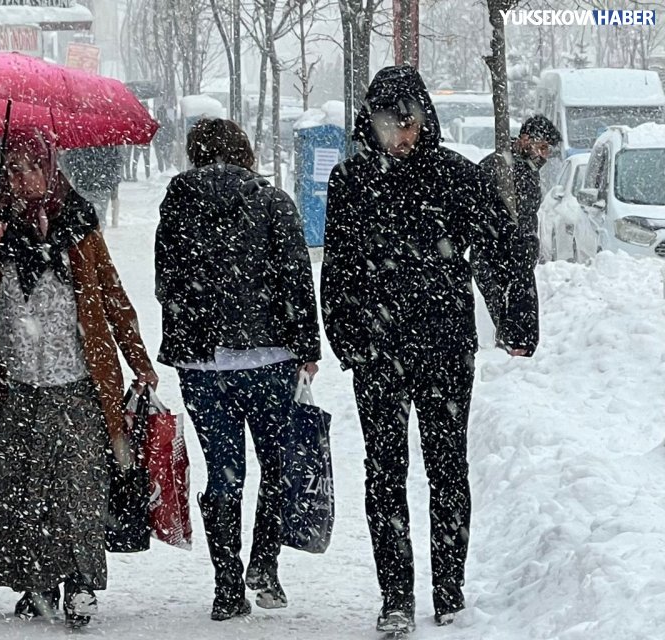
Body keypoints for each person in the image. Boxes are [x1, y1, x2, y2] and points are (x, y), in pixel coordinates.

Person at [321, 65, 539, 635]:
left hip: (444, 348)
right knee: (385, 474)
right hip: (377, 351)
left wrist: (517, 321)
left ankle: (448, 590)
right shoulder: (351, 181)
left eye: (411, 121)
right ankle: (396, 596)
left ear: (425, 118)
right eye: (390, 123)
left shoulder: (455, 176)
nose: (403, 134)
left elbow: (501, 248)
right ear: (371, 124)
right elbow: (338, 267)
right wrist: (346, 339)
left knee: (446, 470)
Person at [0, 128, 158, 629]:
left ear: (50, 167)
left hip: (77, 381)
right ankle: (39, 580)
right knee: (25, 488)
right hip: (13, 382)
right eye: (13, 168)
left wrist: (140, 363)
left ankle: (82, 585)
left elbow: (113, 298)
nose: (22, 177)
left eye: (32, 166)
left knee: (80, 486)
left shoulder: (80, 225)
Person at [155, 118, 321, 622]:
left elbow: (166, 283)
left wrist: (196, 323)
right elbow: (296, 277)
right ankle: (264, 564)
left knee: (224, 473)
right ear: (245, 152)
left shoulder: (179, 204)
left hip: (204, 364)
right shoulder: (272, 202)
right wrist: (307, 346)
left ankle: (226, 586)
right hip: (269, 357)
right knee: (276, 466)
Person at [478, 115, 561, 270]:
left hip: (516, 257)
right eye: (542, 148)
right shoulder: (501, 167)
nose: (544, 156)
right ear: (525, 139)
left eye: (548, 150)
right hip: (501, 258)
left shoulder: (527, 168)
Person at [61, 146, 122, 228]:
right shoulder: (108, 143)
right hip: (102, 184)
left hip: (83, 184)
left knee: (84, 216)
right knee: (100, 216)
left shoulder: (80, 142)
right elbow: (117, 161)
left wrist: (75, 174)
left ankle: (89, 234)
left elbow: (69, 161)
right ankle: (97, 235)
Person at [153, 104, 176, 173]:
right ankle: (163, 173)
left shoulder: (167, 122)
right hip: (162, 143)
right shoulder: (163, 122)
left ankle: (165, 173)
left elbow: (172, 133)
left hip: (165, 143)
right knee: (163, 161)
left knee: (166, 160)